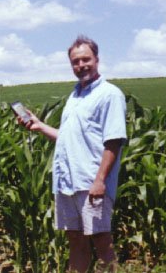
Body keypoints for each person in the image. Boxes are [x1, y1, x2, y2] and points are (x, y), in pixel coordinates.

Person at [21, 35, 127, 272]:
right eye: (75, 62)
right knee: (76, 242)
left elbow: (114, 141)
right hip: (67, 183)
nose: (81, 66)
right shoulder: (75, 95)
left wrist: (99, 181)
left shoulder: (109, 95)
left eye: (85, 60)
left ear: (97, 59)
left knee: (102, 242)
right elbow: (69, 138)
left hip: (90, 182)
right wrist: (39, 126)